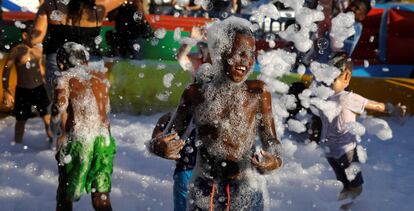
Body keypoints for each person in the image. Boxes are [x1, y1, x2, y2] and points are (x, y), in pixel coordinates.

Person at [149, 17, 282, 210]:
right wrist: (158, 146)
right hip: (205, 188)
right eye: (239, 52)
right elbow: (167, 136)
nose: (246, 60)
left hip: (246, 187)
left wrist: (274, 161)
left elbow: (272, 141)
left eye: (251, 53)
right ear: (220, 52)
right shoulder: (195, 93)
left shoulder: (257, 93)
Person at [311, 52, 406, 201]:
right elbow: (377, 106)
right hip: (346, 152)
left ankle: (340, 206)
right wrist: (394, 109)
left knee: (343, 185)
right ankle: (348, 207)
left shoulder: (322, 98)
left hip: (329, 152)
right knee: (356, 187)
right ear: (347, 76)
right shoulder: (347, 98)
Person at [52, 42, 116, 211]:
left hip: (80, 140)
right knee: (101, 195)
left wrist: (54, 110)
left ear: (61, 63)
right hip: (104, 140)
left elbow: (60, 105)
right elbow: (105, 111)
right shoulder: (100, 76)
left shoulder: (63, 77)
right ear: (86, 61)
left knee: (65, 195)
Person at [32, 0, 128, 100]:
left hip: (58, 60)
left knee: (60, 107)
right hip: (90, 61)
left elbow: (35, 39)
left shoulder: (50, 4)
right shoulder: (100, 5)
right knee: (95, 109)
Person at [2, 21, 52, 145]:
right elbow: (6, 70)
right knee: (21, 120)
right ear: (25, 36)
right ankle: (17, 146)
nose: (36, 37)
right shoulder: (17, 51)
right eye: (33, 34)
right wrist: (6, 90)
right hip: (23, 90)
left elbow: (39, 66)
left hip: (39, 88)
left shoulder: (39, 48)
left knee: (47, 117)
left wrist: (45, 83)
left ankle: (52, 143)